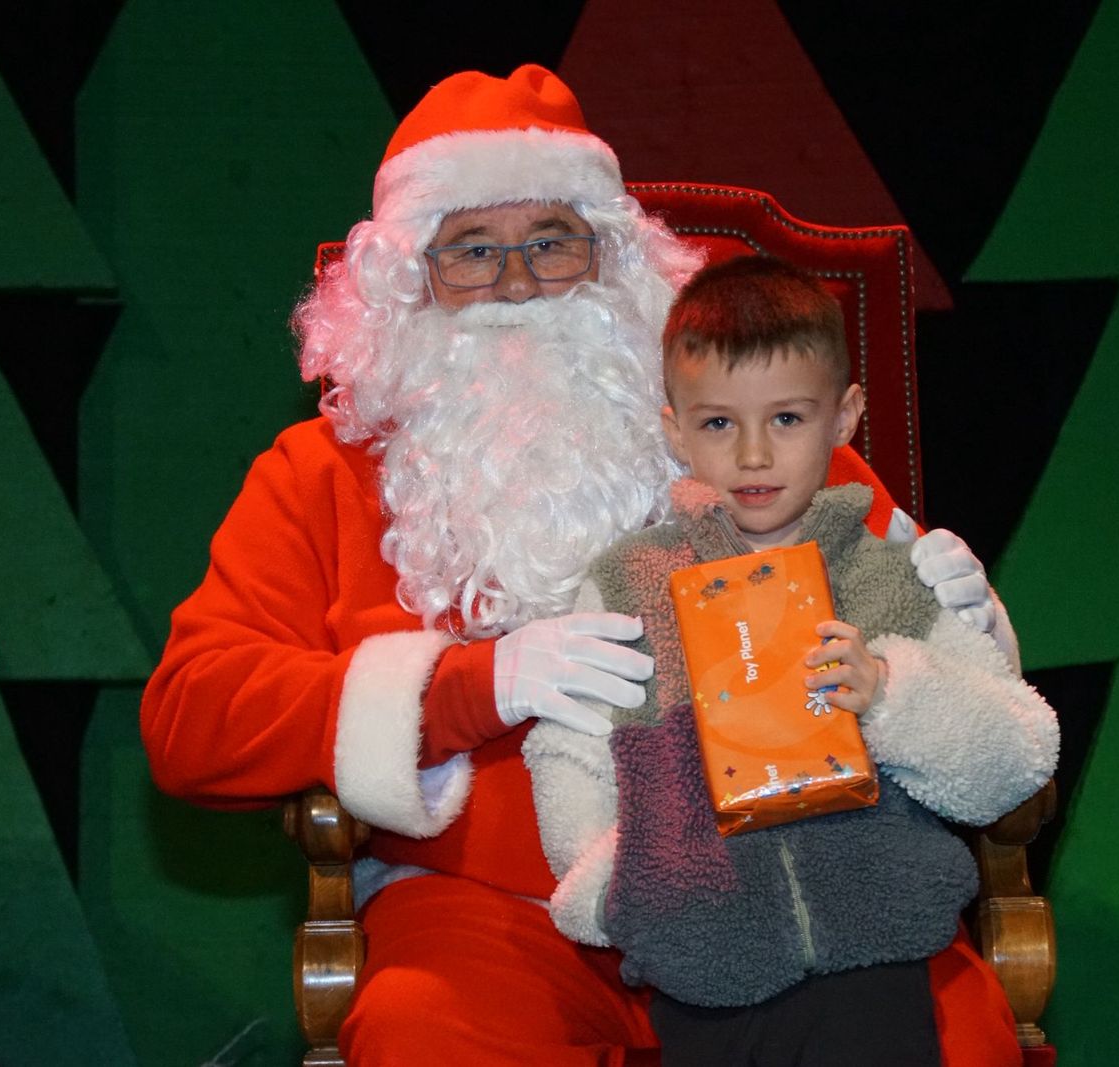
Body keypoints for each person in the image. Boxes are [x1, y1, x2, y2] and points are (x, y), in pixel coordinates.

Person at [142, 65, 1023, 1065]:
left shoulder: (733, 424)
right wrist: (469, 687)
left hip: (796, 882)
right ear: (407, 281)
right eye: (473, 250)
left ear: (612, 259)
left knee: (959, 1039)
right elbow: (192, 715)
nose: (517, 283)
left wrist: (966, 611)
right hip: (491, 916)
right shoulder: (322, 472)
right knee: (428, 1041)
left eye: (552, 241)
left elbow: (930, 642)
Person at [523, 256, 1058, 1067]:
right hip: (703, 963)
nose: (753, 454)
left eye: (785, 418)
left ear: (844, 417)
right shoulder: (628, 582)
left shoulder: (892, 573)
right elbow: (572, 748)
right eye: (717, 423)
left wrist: (892, 695)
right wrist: (621, 886)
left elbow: (1017, 757)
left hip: (878, 955)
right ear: (674, 430)